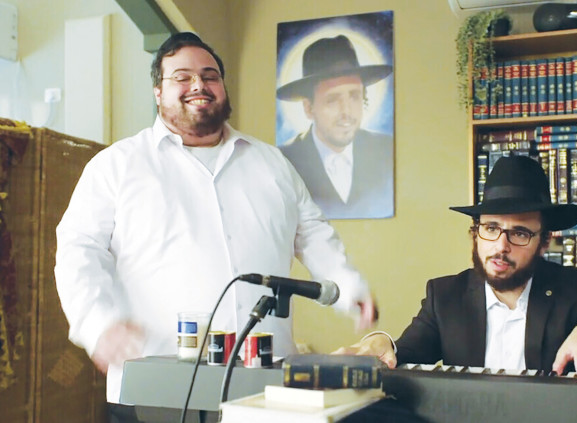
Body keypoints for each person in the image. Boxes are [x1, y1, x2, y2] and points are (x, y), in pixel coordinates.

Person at [54, 32, 378, 403]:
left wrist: (349, 288)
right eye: (182, 77)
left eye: (210, 76)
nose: (199, 85)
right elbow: (78, 251)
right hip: (157, 388)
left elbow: (314, 235)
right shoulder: (116, 165)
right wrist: (98, 325)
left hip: (265, 388)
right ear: (158, 91)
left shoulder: (272, 163)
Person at [335, 155, 577, 380]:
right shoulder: (445, 295)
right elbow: (404, 353)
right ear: (475, 233)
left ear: (543, 242)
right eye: (491, 228)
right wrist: (380, 340)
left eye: (519, 233)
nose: (501, 246)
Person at [276, 35, 394, 220]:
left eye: (354, 96)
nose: (346, 111)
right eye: (332, 100)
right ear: (309, 108)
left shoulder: (386, 149)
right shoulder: (284, 162)